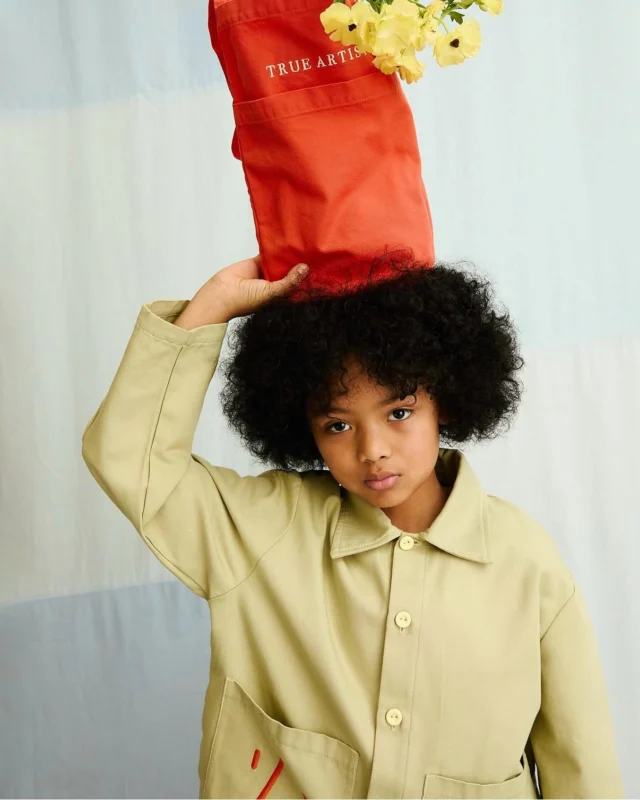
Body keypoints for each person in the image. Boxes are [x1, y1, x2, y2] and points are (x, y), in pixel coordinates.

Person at [82, 253, 624, 799]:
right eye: (338, 424)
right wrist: (209, 311)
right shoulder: (262, 532)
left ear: (448, 400)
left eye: (399, 413)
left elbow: (581, 769)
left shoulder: (527, 565)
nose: (373, 451)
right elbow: (131, 460)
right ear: (303, 426)